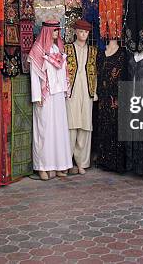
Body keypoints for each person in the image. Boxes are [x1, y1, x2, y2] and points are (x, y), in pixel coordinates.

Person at [29, 20, 73, 181]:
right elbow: (35, 77)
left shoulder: (58, 49)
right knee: (44, 132)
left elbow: (63, 72)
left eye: (58, 31)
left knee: (59, 131)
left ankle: (60, 165)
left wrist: (65, 91)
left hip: (58, 96)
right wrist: (37, 97)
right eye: (55, 31)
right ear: (47, 32)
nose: (57, 34)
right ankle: (42, 167)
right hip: (45, 97)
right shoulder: (37, 51)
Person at [64, 20, 98, 175]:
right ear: (76, 32)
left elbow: (95, 73)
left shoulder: (93, 51)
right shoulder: (67, 49)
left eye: (86, 32)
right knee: (71, 125)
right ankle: (67, 161)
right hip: (71, 91)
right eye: (81, 31)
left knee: (85, 126)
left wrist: (94, 91)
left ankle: (82, 163)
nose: (84, 34)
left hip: (87, 90)